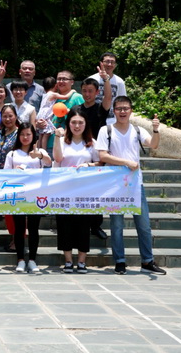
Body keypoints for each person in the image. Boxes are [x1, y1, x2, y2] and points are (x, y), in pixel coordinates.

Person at [95, 96, 166, 275]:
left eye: (126, 108)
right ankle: (120, 261)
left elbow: (154, 145)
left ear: (131, 111)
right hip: (115, 184)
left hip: (135, 184)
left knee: (144, 225)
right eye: (119, 108)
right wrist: (126, 162)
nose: (122, 112)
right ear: (114, 111)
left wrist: (156, 130)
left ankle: (147, 261)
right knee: (117, 225)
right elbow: (102, 155)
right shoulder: (106, 130)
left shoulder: (137, 130)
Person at [53, 107, 101, 274]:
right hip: (64, 191)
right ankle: (68, 261)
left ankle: (81, 261)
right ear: (68, 124)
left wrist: (88, 165)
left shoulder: (92, 143)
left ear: (86, 124)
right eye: (74, 122)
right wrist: (57, 137)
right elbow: (57, 159)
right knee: (64, 225)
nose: (77, 126)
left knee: (83, 226)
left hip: (85, 192)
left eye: (80, 122)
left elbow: (100, 163)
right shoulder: (61, 141)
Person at [4, 122, 52, 273]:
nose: (25, 137)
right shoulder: (12, 154)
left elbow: (49, 163)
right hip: (18, 195)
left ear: (33, 136)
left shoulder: (40, 152)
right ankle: (20, 260)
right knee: (19, 228)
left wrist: (40, 155)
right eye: (22, 134)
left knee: (33, 228)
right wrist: (15, 171)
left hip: (35, 195)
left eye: (28, 134)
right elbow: (6, 173)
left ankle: (32, 260)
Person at [79, 69, 112, 241]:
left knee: (97, 191)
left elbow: (108, 98)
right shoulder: (76, 109)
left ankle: (96, 225)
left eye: (90, 91)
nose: (87, 94)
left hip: (98, 154)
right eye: (84, 91)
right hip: (80, 153)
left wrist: (106, 79)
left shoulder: (100, 108)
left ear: (96, 92)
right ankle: (80, 222)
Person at [0, 103, 20, 252]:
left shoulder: (20, 133)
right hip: (0, 177)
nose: (8, 119)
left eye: (10, 116)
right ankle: (13, 238)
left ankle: (17, 240)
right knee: (8, 211)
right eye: (5, 116)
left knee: (15, 210)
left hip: (15, 177)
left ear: (16, 116)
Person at [35, 77, 75, 150]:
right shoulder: (53, 94)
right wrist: (72, 91)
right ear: (55, 85)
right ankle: (44, 150)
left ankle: (38, 149)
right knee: (46, 135)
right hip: (46, 116)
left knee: (41, 134)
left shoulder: (45, 94)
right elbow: (66, 97)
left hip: (41, 114)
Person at [89, 52, 126, 125]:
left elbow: (123, 101)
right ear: (101, 63)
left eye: (112, 62)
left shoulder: (119, 81)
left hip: (112, 120)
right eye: (107, 62)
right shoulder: (92, 79)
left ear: (115, 65)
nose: (109, 64)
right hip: (93, 118)